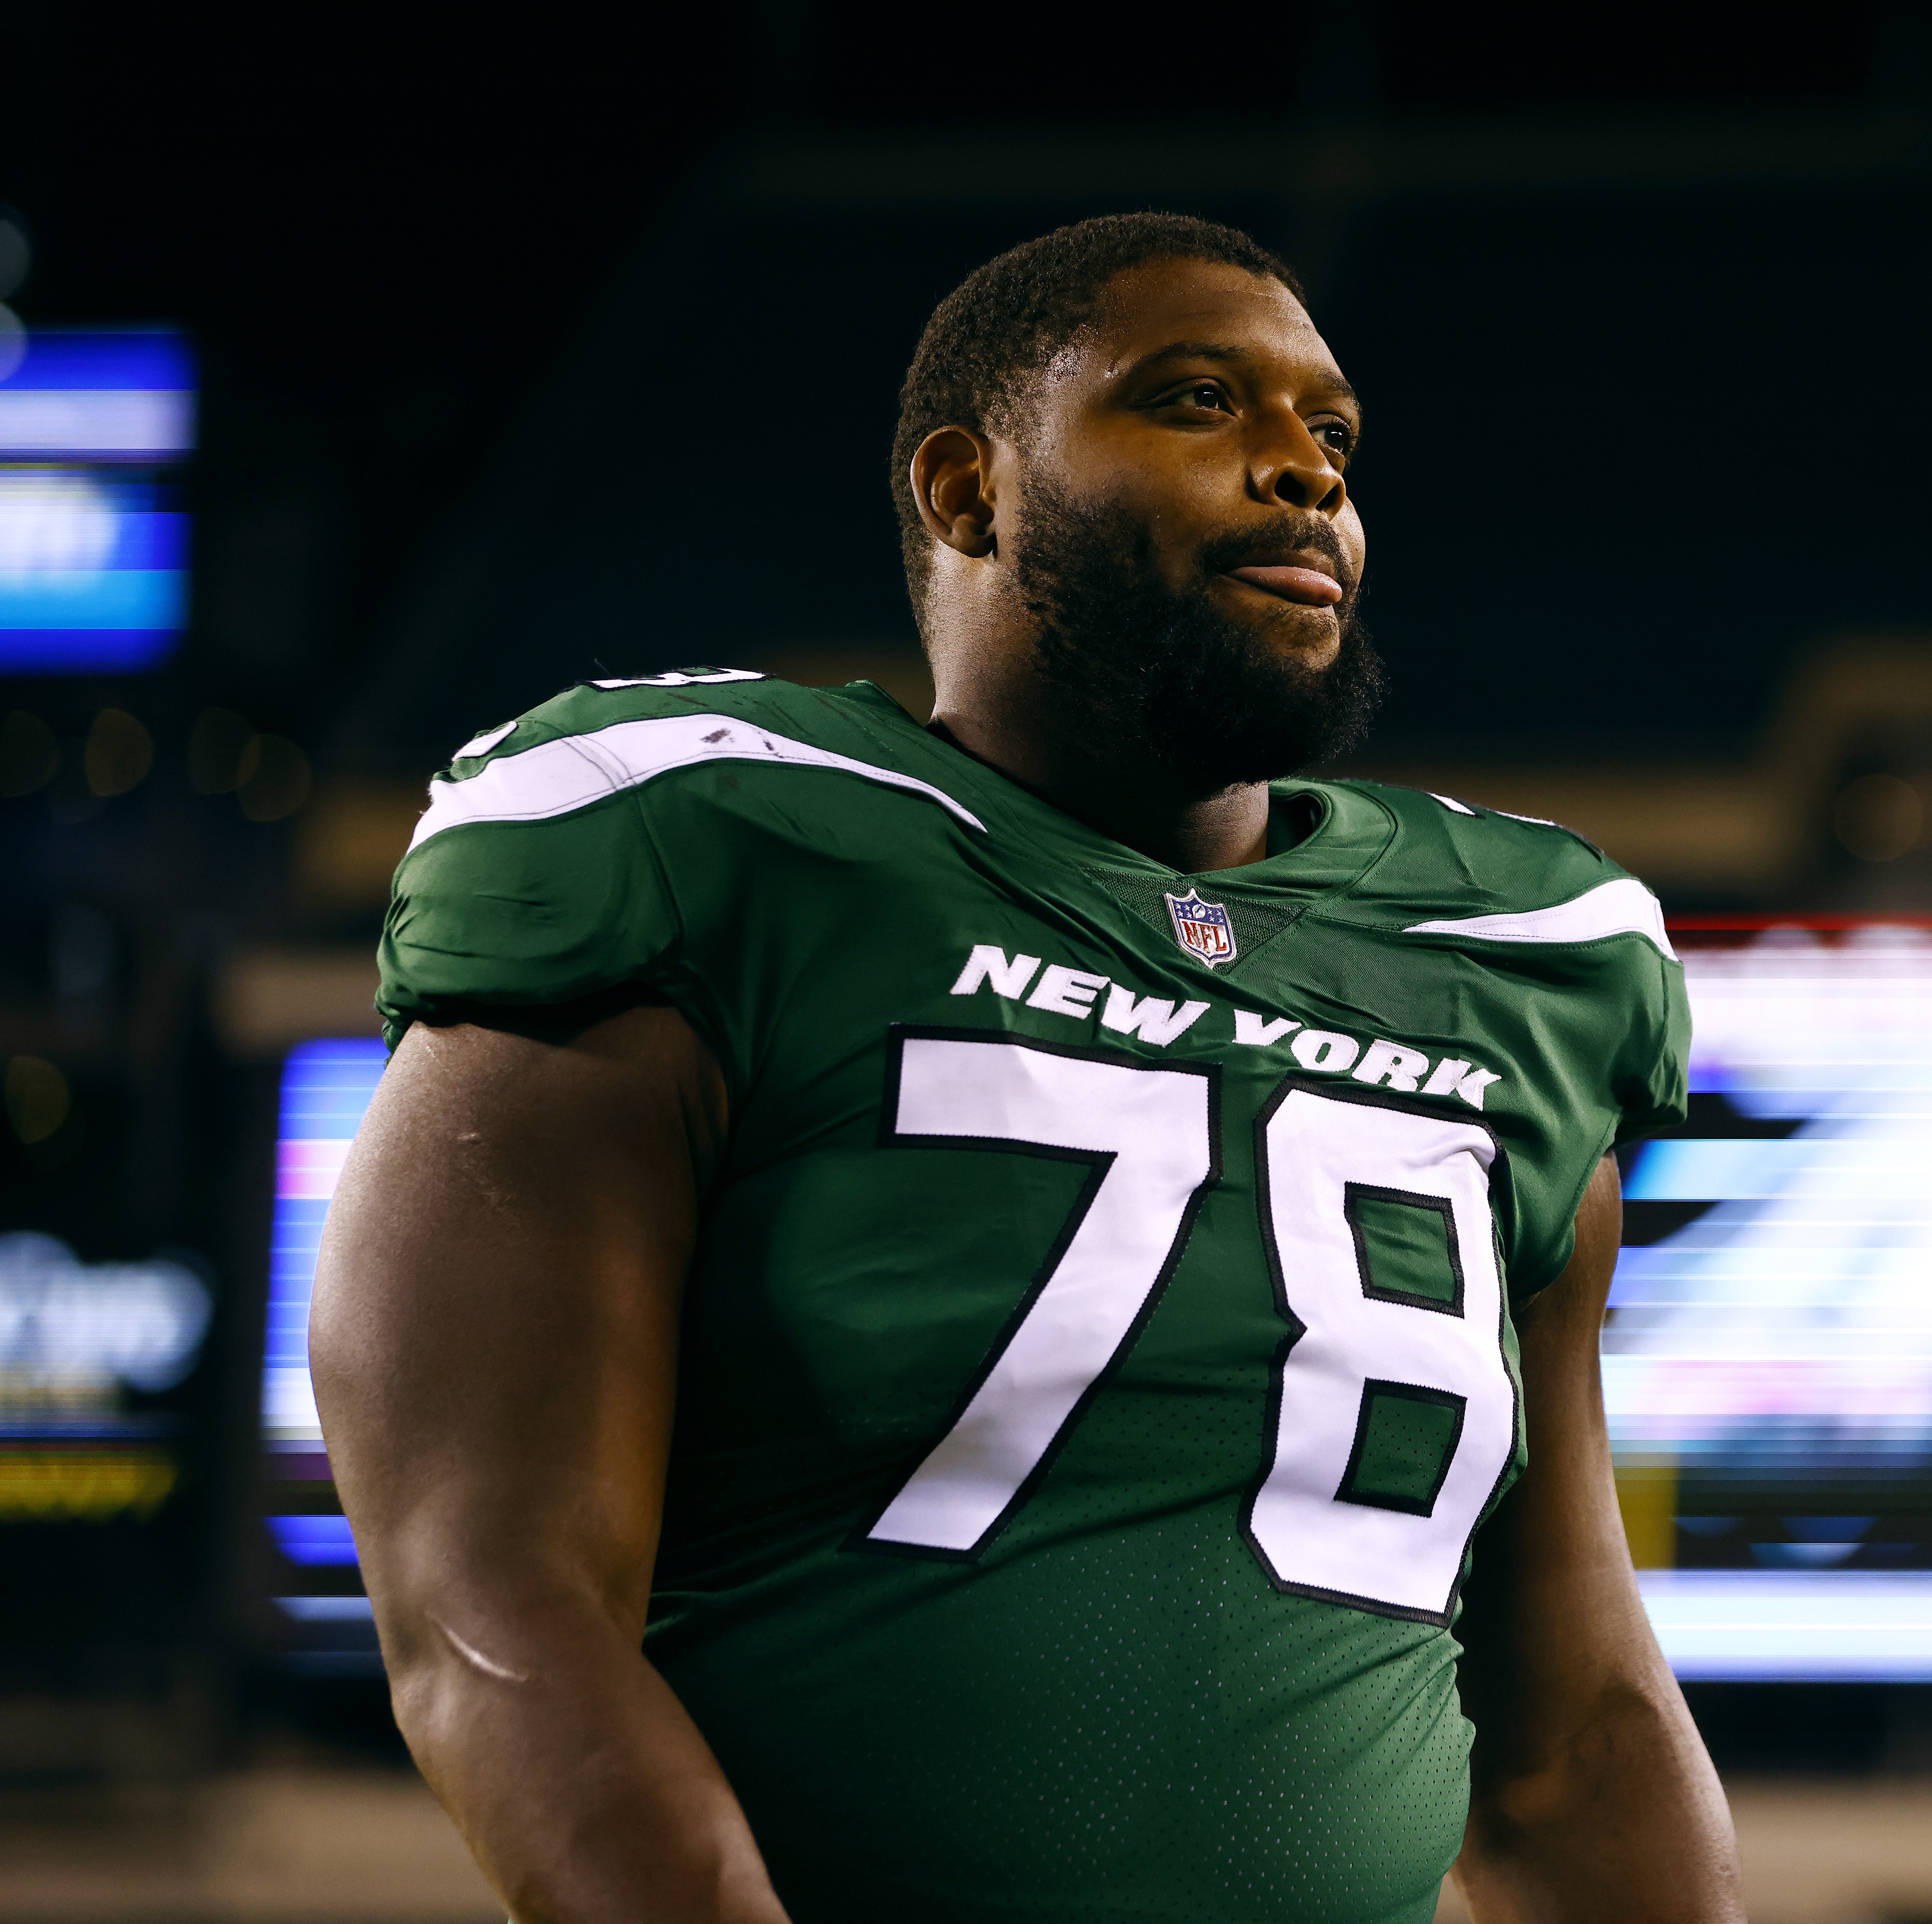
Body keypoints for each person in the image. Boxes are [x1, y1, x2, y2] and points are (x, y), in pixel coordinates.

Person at [312, 212, 1742, 1924]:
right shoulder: (703, 838)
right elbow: (495, 1608)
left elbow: (1572, 1722)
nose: (1306, 476)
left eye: (1336, 439)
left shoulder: (1528, 954)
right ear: (967, 492)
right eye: (1203, 401)